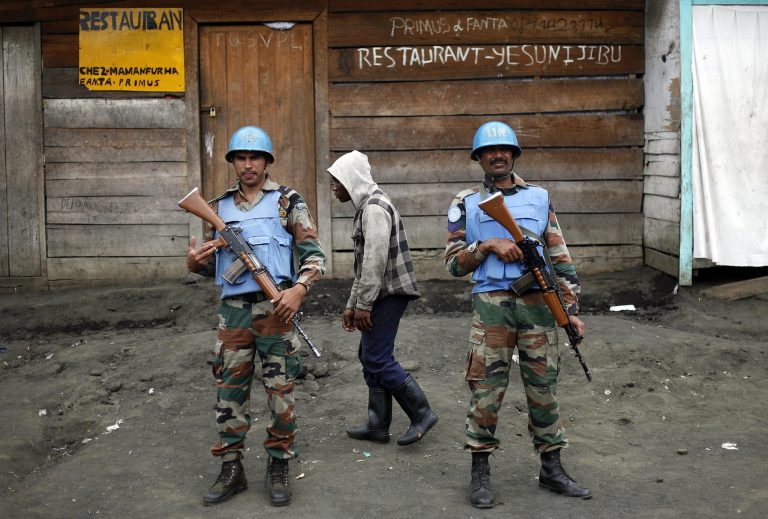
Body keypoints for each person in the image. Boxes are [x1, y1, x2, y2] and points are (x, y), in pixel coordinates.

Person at [444, 121, 591, 509]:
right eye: (489, 151)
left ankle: (552, 468)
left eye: (505, 150)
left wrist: (571, 310)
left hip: (538, 306)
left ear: (514, 155)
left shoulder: (540, 198)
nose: (498, 155)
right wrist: (487, 246)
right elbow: (453, 264)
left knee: (543, 386)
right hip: (491, 307)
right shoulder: (465, 203)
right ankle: (480, 472)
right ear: (478, 158)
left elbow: (559, 255)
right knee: (486, 388)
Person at [185, 126, 326, 507]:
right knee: (229, 392)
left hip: (276, 310)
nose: (248, 164)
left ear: (266, 162)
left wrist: (299, 290)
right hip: (233, 315)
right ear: (233, 162)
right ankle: (231, 468)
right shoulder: (217, 207)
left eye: (255, 157)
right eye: (241, 158)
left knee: (280, 393)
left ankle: (279, 466)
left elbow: (315, 257)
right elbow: (213, 265)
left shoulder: (287, 202)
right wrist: (195, 264)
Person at [327, 150, 438, 446]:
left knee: (377, 357)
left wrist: (363, 305)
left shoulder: (374, 208)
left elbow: (374, 261)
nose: (333, 188)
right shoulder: (367, 206)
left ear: (351, 180)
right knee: (369, 355)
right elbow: (363, 266)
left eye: (337, 181)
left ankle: (422, 413)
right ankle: (377, 425)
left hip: (388, 293)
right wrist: (352, 305)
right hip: (380, 292)